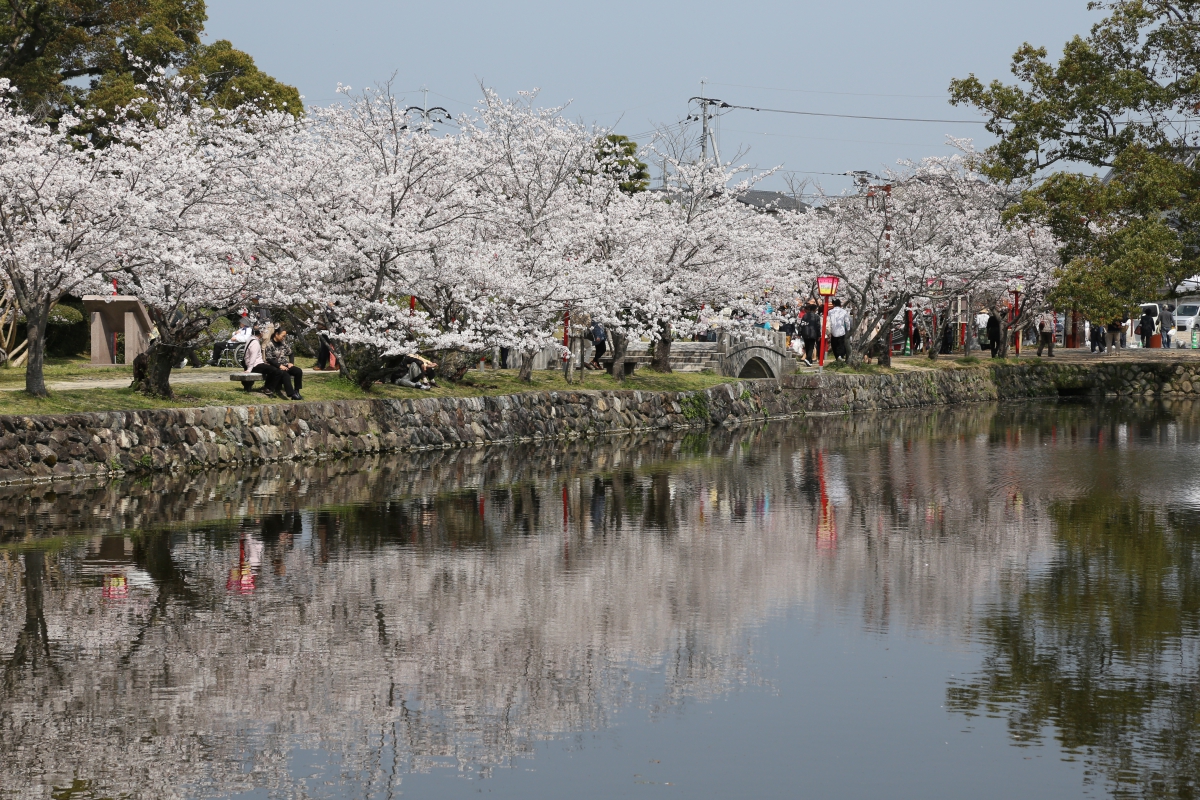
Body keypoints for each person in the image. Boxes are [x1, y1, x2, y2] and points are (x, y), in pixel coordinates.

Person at [263, 326, 303, 400]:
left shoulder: (283, 344)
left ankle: (297, 391)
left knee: (298, 371)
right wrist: (279, 366)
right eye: (283, 336)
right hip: (276, 366)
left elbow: (291, 353)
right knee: (285, 375)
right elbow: (269, 359)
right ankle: (291, 394)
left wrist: (291, 363)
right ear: (276, 334)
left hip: (285, 364)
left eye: (285, 336)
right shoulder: (269, 344)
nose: (283, 338)